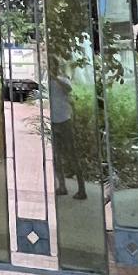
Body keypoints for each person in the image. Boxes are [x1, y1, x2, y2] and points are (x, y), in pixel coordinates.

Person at [50, 70, 87, 200]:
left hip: (64, 121)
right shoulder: (45, 81)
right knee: (55, 156)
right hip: (52, 122)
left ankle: (82, 189)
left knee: (72, 155)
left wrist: (55, 77)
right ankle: (62, 186)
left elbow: (69, 89)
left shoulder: (62, 79)